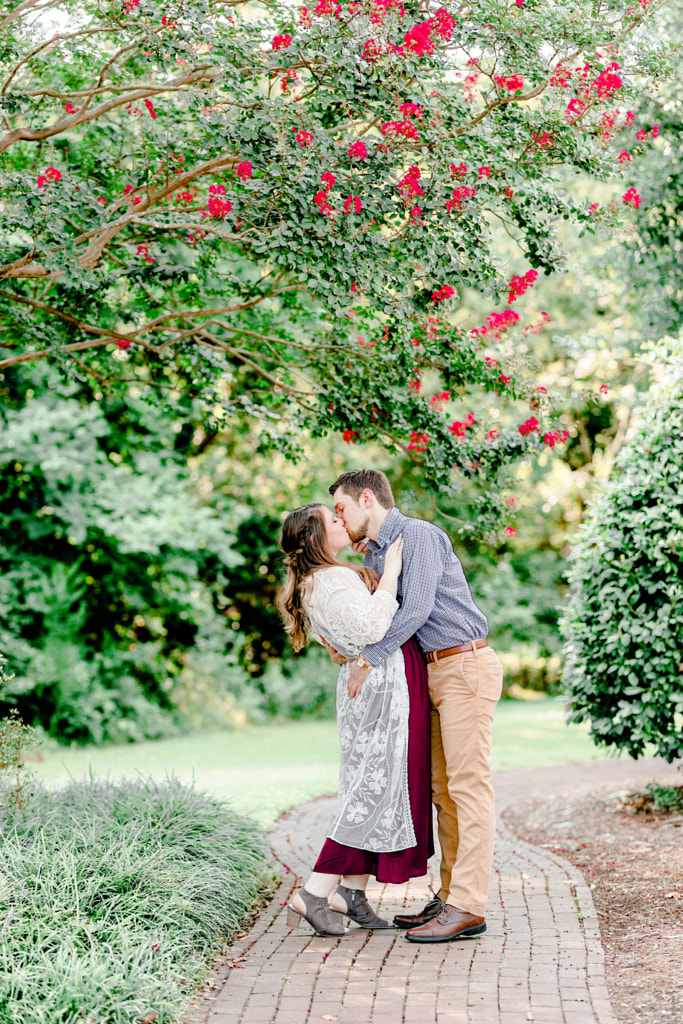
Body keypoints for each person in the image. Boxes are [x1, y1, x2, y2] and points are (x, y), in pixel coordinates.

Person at [328, 469, 503, 943]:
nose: (340, 521)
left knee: (467, 789)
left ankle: (468, 905)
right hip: (432, 672)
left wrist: (369, 658)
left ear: (368, 498)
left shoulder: (419, 534)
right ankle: (449, 897)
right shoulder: (380, 552)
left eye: (342, 508)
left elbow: (419, 607)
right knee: (442, 791)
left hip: (464, 665)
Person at [278, 502, 433, 937]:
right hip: (380, 690)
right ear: (314, 538)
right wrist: (392, 572)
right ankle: (313, 892)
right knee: (370, 790)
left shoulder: (320, 580)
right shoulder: (330, 579)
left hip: (367, 688)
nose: (341, 521)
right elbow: (371, 629)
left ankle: (353, 892)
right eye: (333, 520)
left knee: (370, 785)